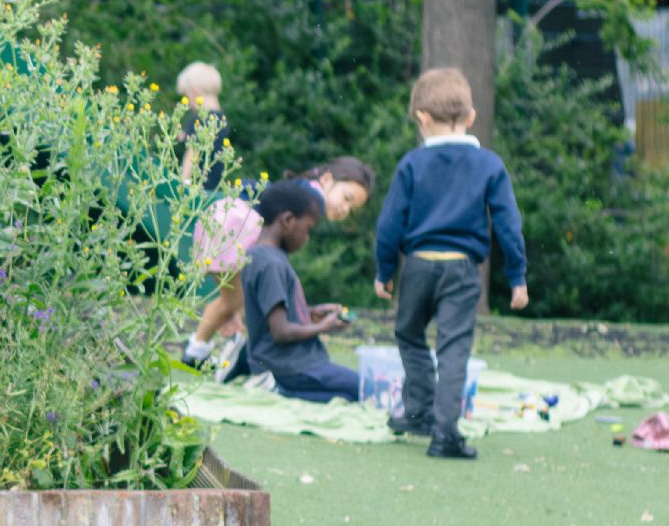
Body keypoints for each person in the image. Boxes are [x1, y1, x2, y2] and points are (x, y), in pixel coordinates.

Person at [373, 67, 530, 460]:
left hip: (419, 266)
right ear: (471, 117)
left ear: (422, 119)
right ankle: (445, 433)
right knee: (454, 347)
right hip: (462, 270)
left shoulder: (412, 164)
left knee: (409, 334)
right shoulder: (489, 165)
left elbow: (390, 222)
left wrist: (385, 270)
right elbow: (508, 225)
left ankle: (419, 412)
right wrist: (517, 278)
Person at [186, 157, 375, 366]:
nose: (345, 210)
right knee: (238, 302)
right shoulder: (313, 199)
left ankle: (201, 350)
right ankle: (208, 352)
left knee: (235, 301)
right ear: (328, 179)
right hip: (237, 227)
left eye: (352, 208)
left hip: (228, 219)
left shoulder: (304, 189)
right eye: (347, 198)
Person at [238, 181, 361, 401]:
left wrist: (311, 313)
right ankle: (276, 388)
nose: (307, 237)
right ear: (287, 221)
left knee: (347, 393)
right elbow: (281, 331)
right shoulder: (270, 264)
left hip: (288, 365)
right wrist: (325, 325)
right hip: (290, 367)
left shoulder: (263, 256)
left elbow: (274, 315)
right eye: (308, 229)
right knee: (362, 388)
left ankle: (278, 388)